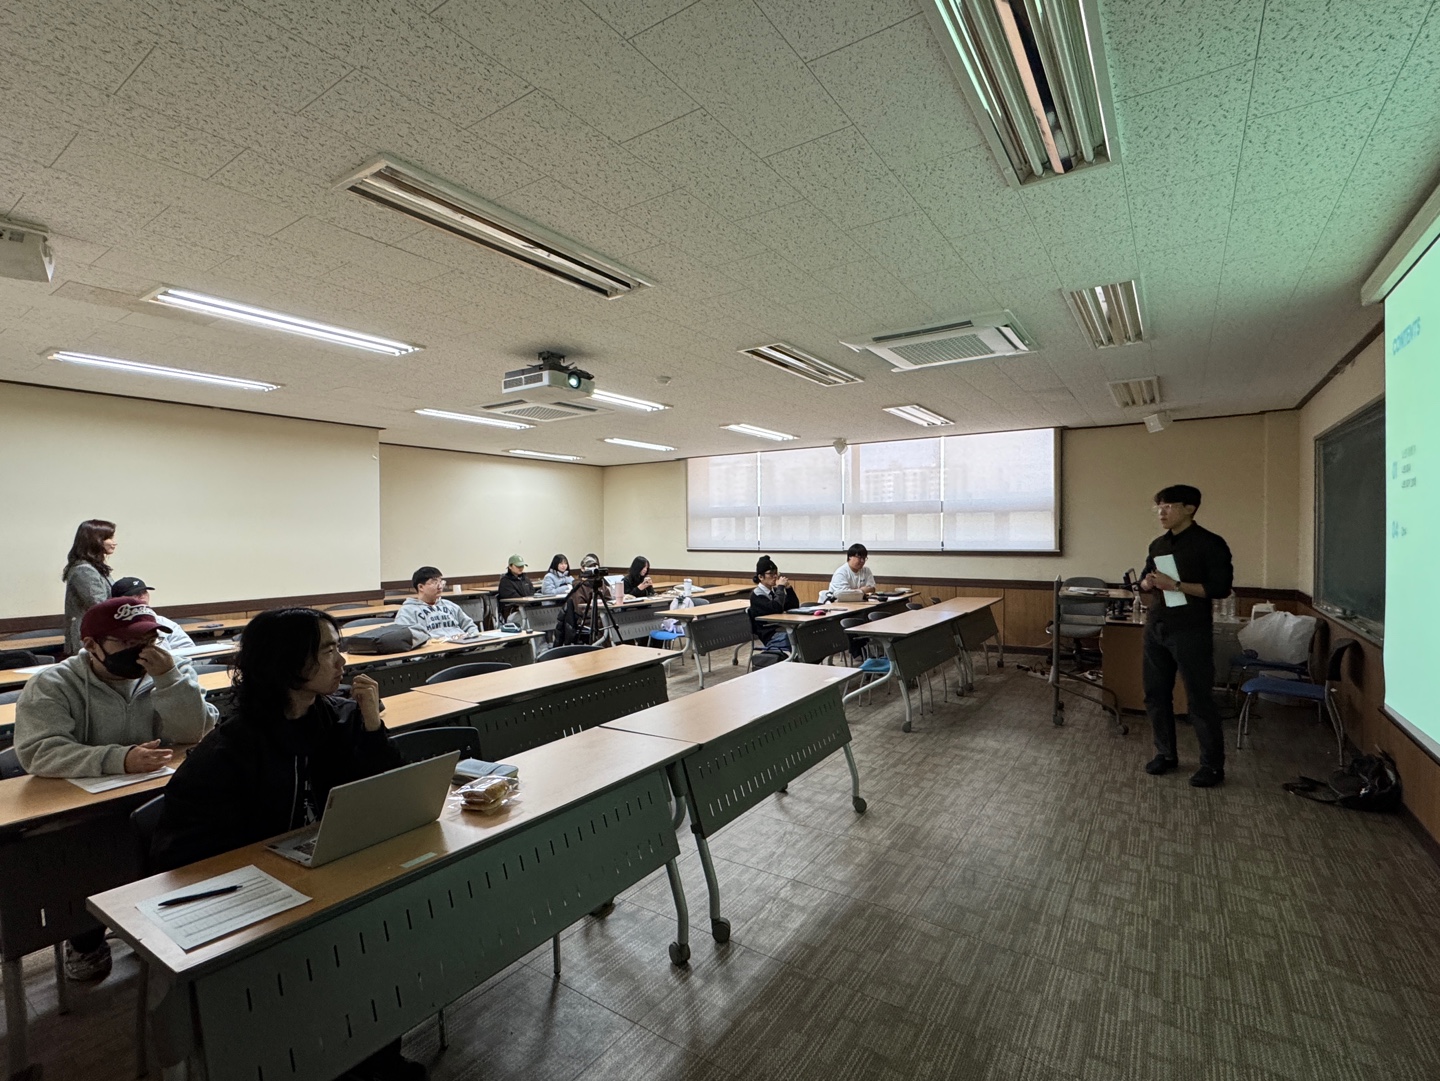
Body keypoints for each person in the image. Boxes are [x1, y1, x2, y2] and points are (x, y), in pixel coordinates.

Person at [149, 607, 425, 1080]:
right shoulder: (230, 749)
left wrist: (372, 726)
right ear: (287, 662)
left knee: (384, 928)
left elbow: (384, 792)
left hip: (324, 881)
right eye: (328, 650)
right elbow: (185, 857)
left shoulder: (334, 718)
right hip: (257, 904)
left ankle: (374, 1055)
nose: (342, 661)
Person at [14, 596, 217, 982]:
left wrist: (170, 681)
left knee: (183, 840)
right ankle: (85, 938)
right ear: (91, 645)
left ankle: (155, 923)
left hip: (153, 794)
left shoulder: (168, 671)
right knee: (91, 857)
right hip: (83, 805)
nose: (141, 650)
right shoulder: (53, 684)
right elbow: (39, 751)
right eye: (126, 642)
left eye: (147, 640)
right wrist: (118, 759)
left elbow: (195, 732)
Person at [1139, 484, 1234, 788]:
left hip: (1191, 629)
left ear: (1189, 508)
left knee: (1199, 699)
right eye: (1158, 507)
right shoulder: (1157, 545)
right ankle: (1165, 753)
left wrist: (1176, 585)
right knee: (1155, 693)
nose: (1161, 513)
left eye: (1168, 506)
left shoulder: (1210, 543)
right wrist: (1147, 583)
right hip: (1157, 626)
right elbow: (1145, 579)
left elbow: (1220, 588)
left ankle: (1212, 766)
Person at [62, 518, 117, 653]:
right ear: (95, 540)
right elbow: (99, 604)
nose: (114, 542)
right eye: (109, 538)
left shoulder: (96, 568)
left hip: (98, 634)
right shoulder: (84, 570)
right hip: (89, 637)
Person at [110, 576, 197, 652]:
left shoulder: (164, 622)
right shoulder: (112, 628)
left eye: (144, 592)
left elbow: (188, 649)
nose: (142, 596)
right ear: (117, 600)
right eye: (134, 594)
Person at [394, 566, 479, 640]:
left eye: (441, 582)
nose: (440, 587)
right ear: (421, 587)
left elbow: (470, 626)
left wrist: (472, 637)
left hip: (461, 646)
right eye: (435, 583)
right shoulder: (407, 611)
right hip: (434, 650)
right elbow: (406, 636)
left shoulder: (450, 606)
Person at [748, 555, 799, 653]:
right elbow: (776, 608)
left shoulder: (775, 591)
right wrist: (780, 587)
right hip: (771, 635)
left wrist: (788, 588)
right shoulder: (757, 595)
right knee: (798, 638)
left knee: (805, 635)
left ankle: (803, 661)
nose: (775, 576)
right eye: (771, 573)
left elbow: (793, 606)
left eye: (776, 573)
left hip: (781, 629)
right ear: (760, 577)